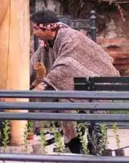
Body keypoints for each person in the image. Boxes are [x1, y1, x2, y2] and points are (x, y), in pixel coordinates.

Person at [30, 9, 119, 154]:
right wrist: (23, 84)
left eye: (36, 28)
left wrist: (44, 84)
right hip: (82, 85)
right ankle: (73, 143)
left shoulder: (71, 38)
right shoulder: (47, 44)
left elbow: (66, 64)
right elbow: (35, 63)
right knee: (64, 99)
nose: (34, 33)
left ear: (47, 27)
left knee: (88, 109)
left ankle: (95, 146)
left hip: (101, 82)